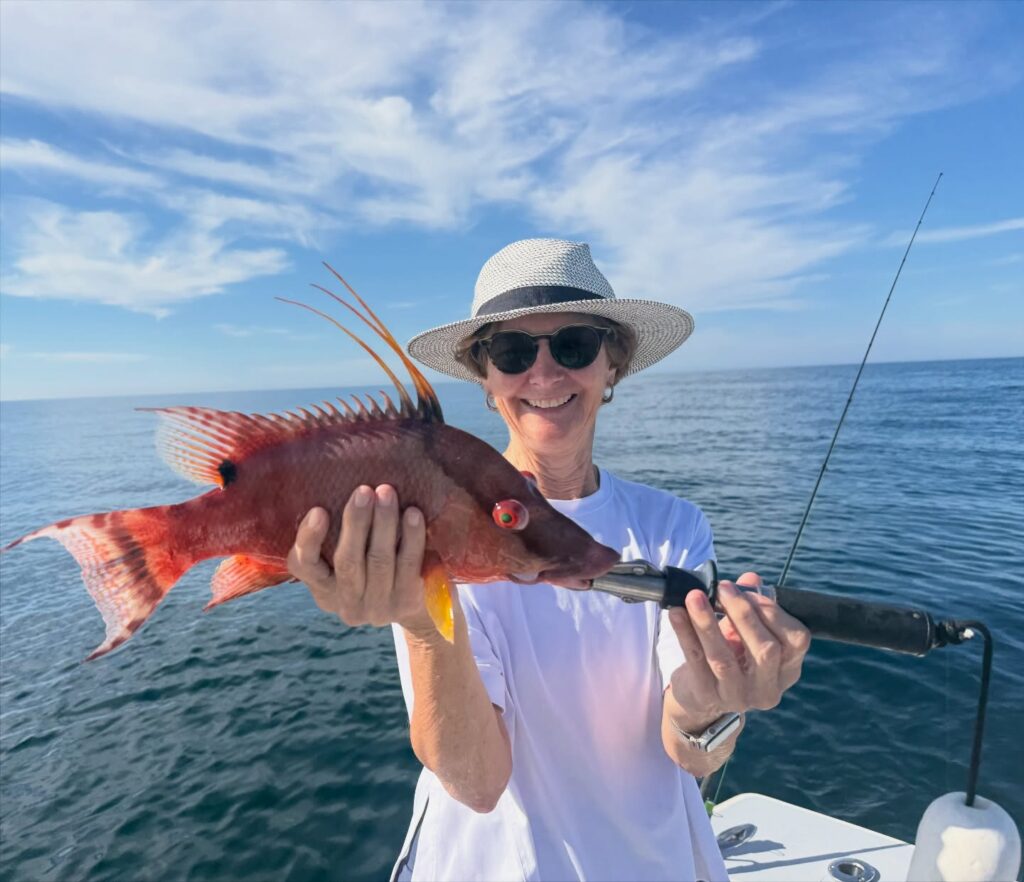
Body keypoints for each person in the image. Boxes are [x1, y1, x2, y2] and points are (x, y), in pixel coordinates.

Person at [287, 239, 811, 881]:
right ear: (486, 378)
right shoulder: (440, 528)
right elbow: (477, 784)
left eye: (573, 346)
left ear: (611, 364)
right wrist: (424, 622)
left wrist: (717, 702)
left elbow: (690, 748)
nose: (543, 374)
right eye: (511, 352)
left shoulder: (673, 526)